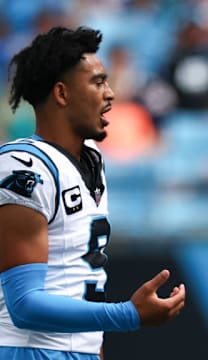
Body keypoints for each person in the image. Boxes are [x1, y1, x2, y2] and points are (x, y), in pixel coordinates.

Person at [0, 26, 186, 360]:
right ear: (62, 93)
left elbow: (78, 275)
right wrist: (128, 315)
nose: (111, 94)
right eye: (98, 82)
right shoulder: (23, 167)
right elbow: (24, 305)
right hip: (29, 351)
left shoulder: (91, 160)